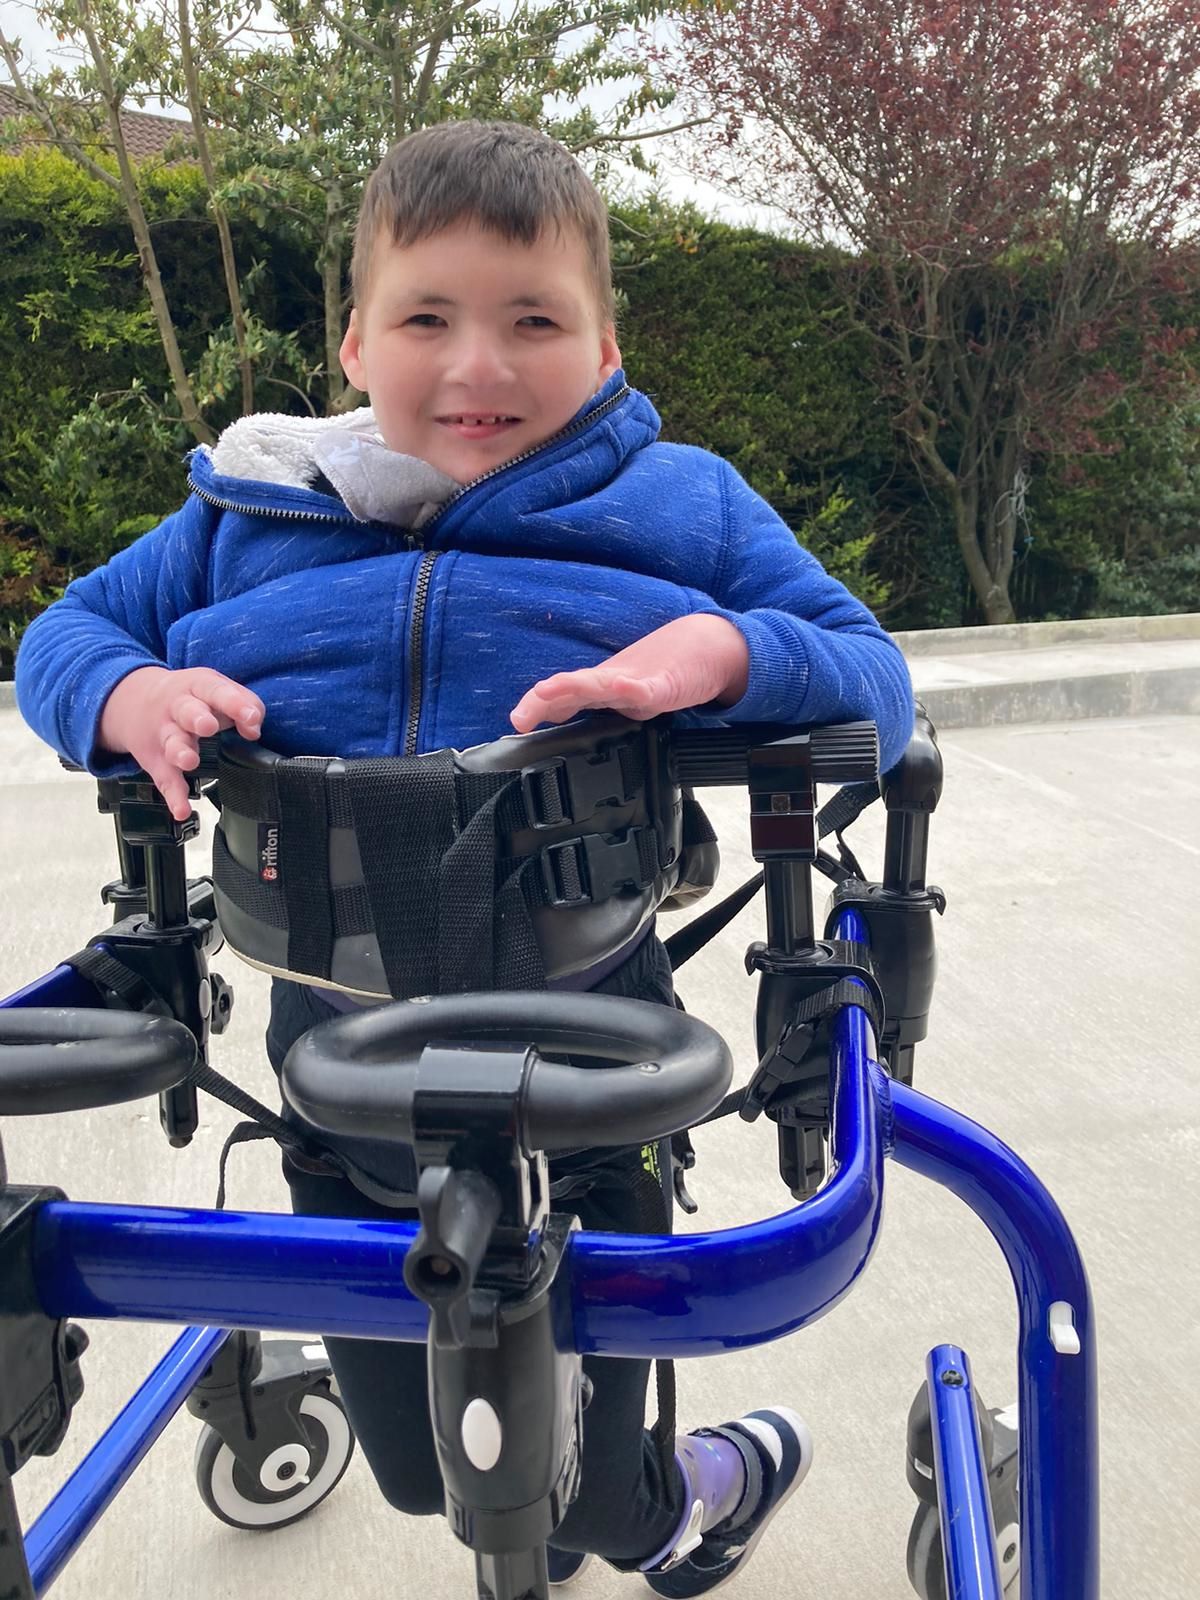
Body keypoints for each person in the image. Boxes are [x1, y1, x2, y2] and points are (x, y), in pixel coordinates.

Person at [17, 120, 914, 1592]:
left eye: (534, 321)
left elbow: (873, 676)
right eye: (428, 318)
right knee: (430, 1483)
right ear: (358, 340)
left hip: (597, 1081)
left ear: (607, 346)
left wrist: (723, 650)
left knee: (592, 1510)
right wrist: (123, 693)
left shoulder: (676, 507)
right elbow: (64, 635)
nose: (479, 367)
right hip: (335, 1083)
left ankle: (701, 1489)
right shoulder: (251, 510)